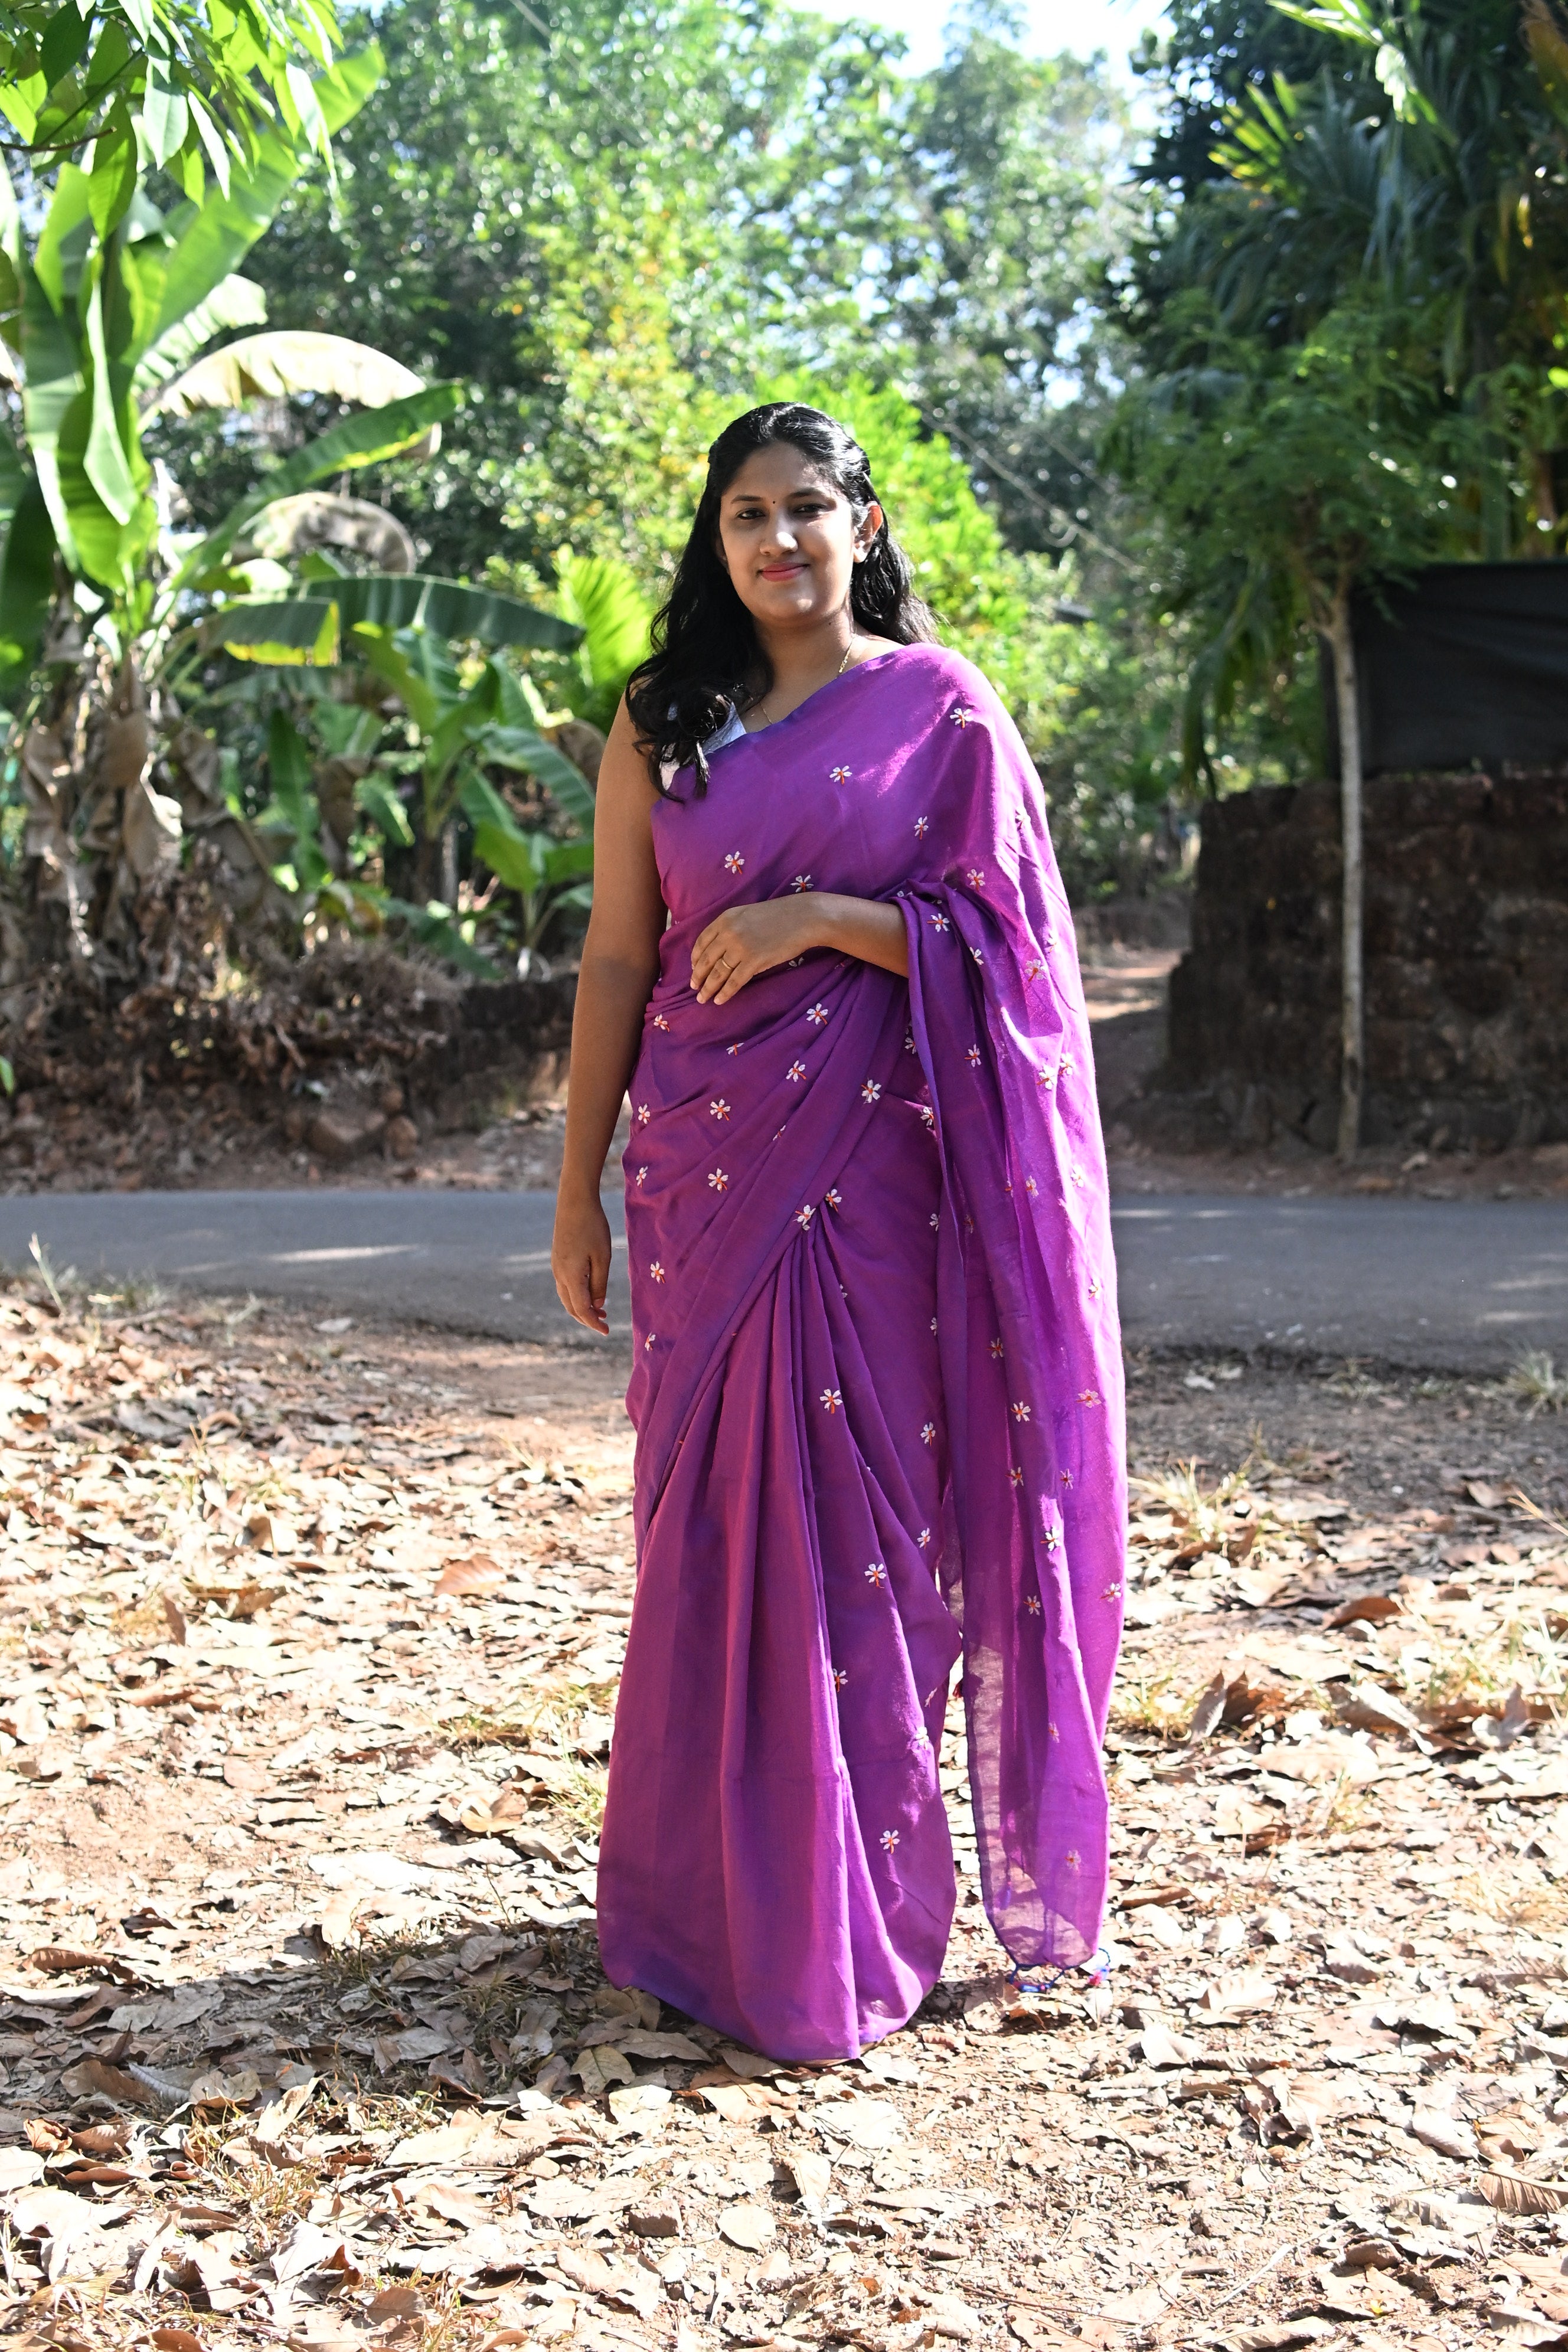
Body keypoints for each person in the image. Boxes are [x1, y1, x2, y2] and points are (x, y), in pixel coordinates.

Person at [551, 402, 1125, 2063]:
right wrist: (574, 1183)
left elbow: (1017, 965)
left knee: (864, 1537)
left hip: (874, 1192)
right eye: (748, 512)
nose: (780, 540)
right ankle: (694, 1906)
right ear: (715, 538)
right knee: (713, 1537)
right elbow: (613, 959)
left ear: (866, 527)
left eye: (811, 510)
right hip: (700, 1176)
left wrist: (824, 920)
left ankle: (845, 1921)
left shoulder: (940, 715)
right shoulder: (664, 720)